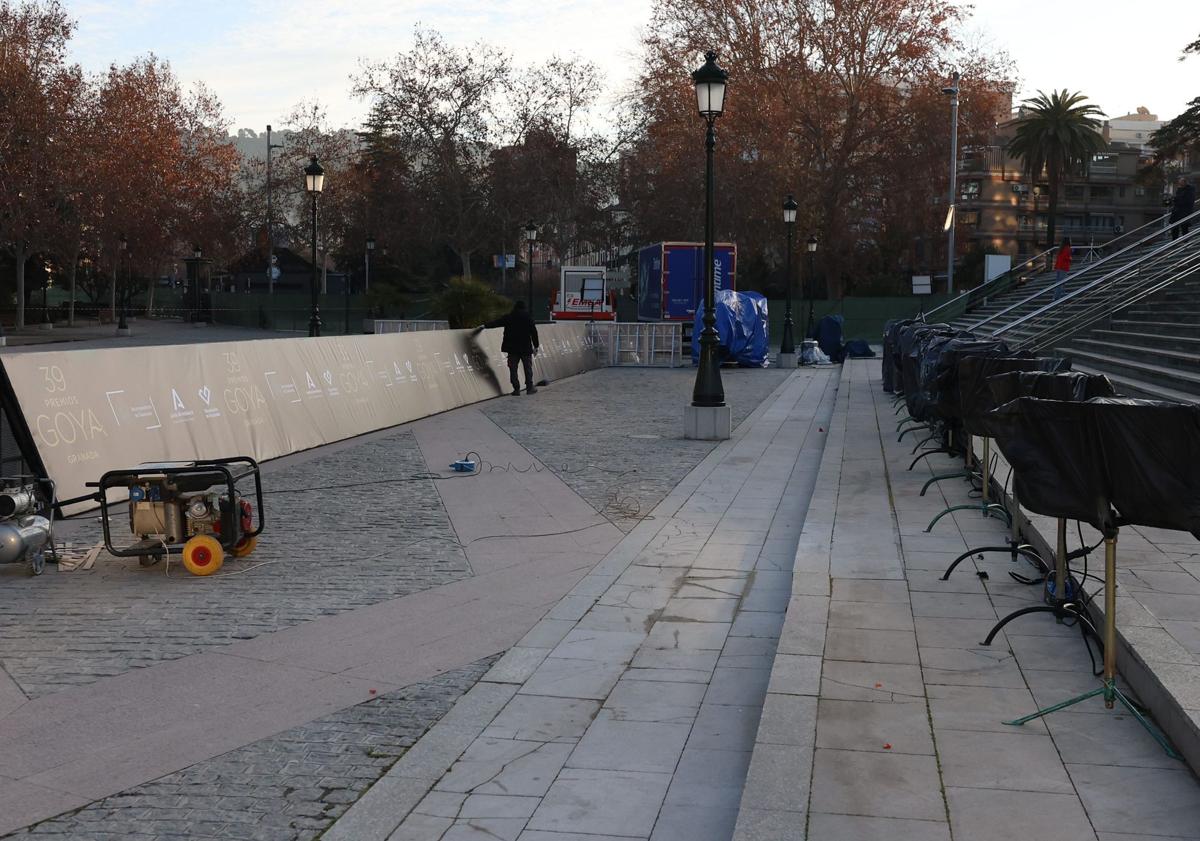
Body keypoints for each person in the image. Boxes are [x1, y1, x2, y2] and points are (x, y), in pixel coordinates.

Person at [481, 300, 540, 395]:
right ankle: (529, 387)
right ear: (524, 308)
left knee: (513, 369)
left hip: (512, 348)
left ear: (515, 308)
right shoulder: (528, 318)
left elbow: (496, 323)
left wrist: (485, 326)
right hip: (525, 348)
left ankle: (516, 389)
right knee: (527, 368)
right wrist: (536, 346)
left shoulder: (509, 317)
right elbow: (534, 333)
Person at [1052, 237, 1072, 302]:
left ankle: (1058, 295)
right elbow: (1066, 257)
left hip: (1059, 267)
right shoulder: (1067, 248)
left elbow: (1059, 258)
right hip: (1063, 267)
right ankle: (1057, 297)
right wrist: (1070, 259)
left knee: (1058, 282)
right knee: (1061, 282)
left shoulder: (1061, 248)